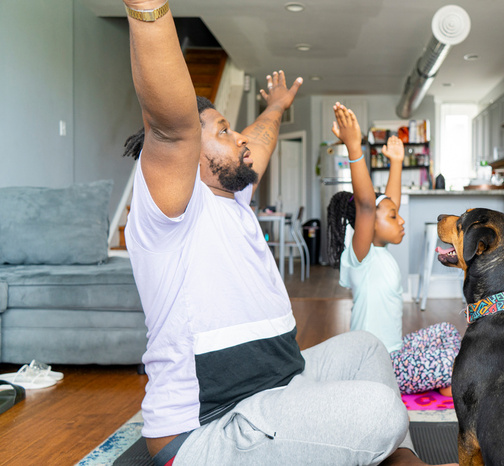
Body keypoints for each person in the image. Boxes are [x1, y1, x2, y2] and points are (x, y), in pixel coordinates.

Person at [120, 1, 455, 465]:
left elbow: (258, 138)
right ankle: (391, 454)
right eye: (223, 130)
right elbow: (172, 125)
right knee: (381, 413)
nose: (239, 137)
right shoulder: (169, 210)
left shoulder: (232, 196)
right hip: (209, 428)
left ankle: (400, 459)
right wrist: (148, 9)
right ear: (191, 151)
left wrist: (275, 107)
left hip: (277, 388)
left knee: (366, 349)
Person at [327, 104, 461, 396]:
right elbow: (366, 204)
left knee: (449, 333)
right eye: (392, 217)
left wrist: (397, 162)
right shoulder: (360, 256)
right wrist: (354, 147)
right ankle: (445, 382)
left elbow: (388, 202)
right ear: (366, 225)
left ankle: (444, 379)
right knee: (457, 361)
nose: (400, 219)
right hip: (377, 365)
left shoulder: (380, 251)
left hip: (395, 352)